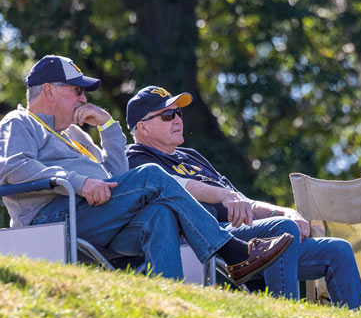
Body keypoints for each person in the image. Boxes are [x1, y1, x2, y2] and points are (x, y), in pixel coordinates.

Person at [0, 55, 291, 284]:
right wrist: (78, 182)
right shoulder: (20, 121)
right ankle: (232, 252)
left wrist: (109, 127)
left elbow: (116, 177)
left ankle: (171, 300)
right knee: (151, 173)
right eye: (77, 90)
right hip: (53, 218)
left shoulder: (75, 134)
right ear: (49, 91)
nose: (84, 99)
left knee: (159, 213)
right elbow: (15, 167)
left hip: (91, 214)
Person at [124, 85, 361, 309]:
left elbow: (244, 201)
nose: (177, 120)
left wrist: (283, 211)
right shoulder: (135, 157)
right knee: (282, 230)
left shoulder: (190, 156)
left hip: (247, 233)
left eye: (179, 113)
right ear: (142, 127)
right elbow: (177, 186)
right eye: (168, 115)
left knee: (338, 249)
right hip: (208, 239)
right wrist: (225, 197)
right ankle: (286, 314)